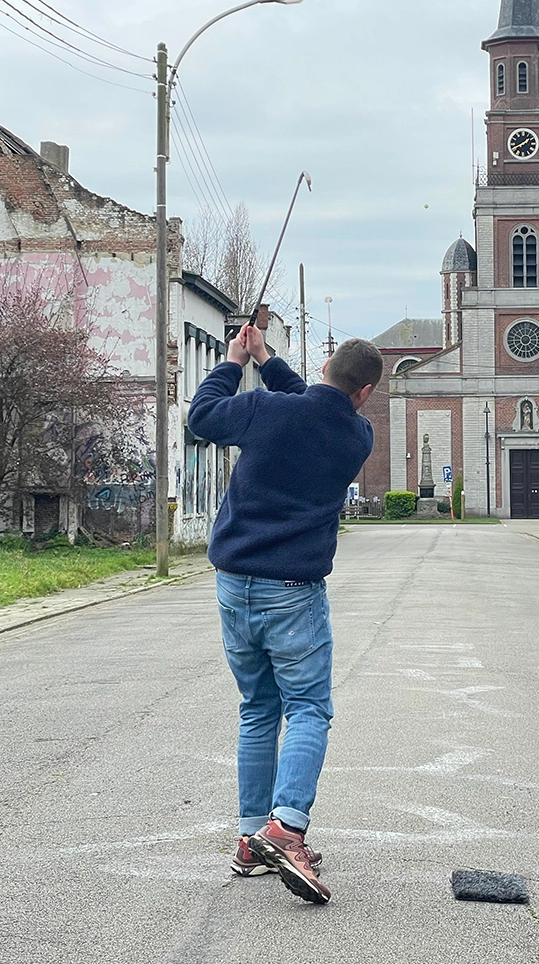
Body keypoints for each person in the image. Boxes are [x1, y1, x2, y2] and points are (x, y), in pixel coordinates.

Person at [188, 325, 382, 904]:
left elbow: (203, 415)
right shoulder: (357, 435)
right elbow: (317, 407)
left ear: (325, 366)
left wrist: (233, 361)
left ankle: (252, 836)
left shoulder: (262, 412)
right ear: (366, 392)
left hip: (233, 585)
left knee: (257, 708)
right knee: (309, 709)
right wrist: (268, 361)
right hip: (293, 591)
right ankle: (287, 827)